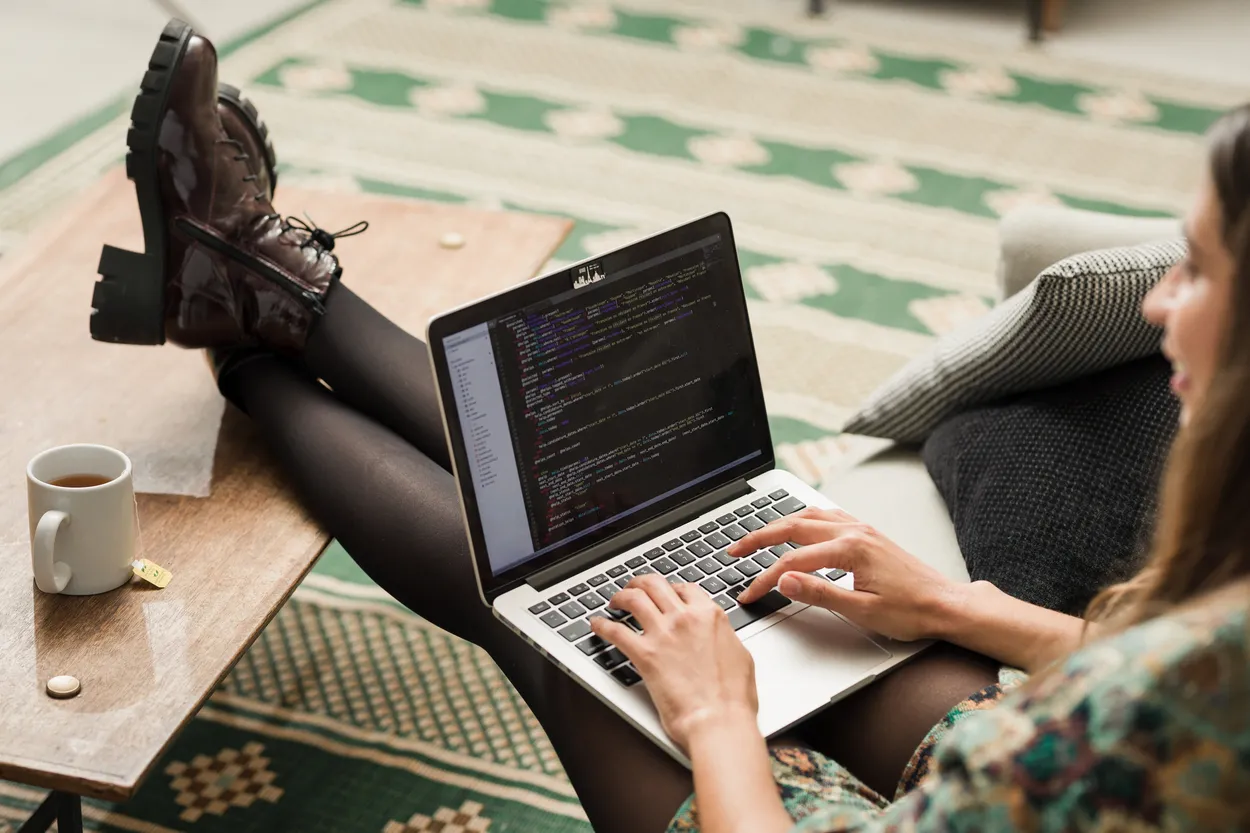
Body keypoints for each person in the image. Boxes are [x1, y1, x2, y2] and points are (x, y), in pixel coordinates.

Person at [94, 21, 1250, 832]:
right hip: (1040, 771)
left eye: (1191, 271)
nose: (1153, 299)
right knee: (649, 545)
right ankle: (258, 298)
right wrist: (956, 602)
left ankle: (245, 326)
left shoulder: (1158, 685)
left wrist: (716, 718)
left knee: (559, 621)